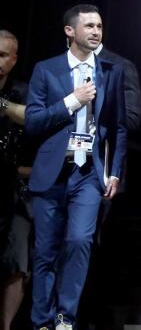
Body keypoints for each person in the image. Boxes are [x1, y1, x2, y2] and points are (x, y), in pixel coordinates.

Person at [24, 6, 127, 330]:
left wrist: (114, 172)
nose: (96, 31)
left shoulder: (110, 70)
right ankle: (42, 320)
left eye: (99, 26)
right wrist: (72, 101)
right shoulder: (47, 70)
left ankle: (65, 317)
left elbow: (119, 125)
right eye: (89, 26)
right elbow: (32, 121)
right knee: (45, 251)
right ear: (70, 31)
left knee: (80, 242)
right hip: (52, 171)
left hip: (88, 173)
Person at [0, 30, 30, 330]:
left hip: (12, 188)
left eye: (3, 55)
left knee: (16, 257)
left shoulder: (21, 92)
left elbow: (32, 117)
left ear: (14, 59)